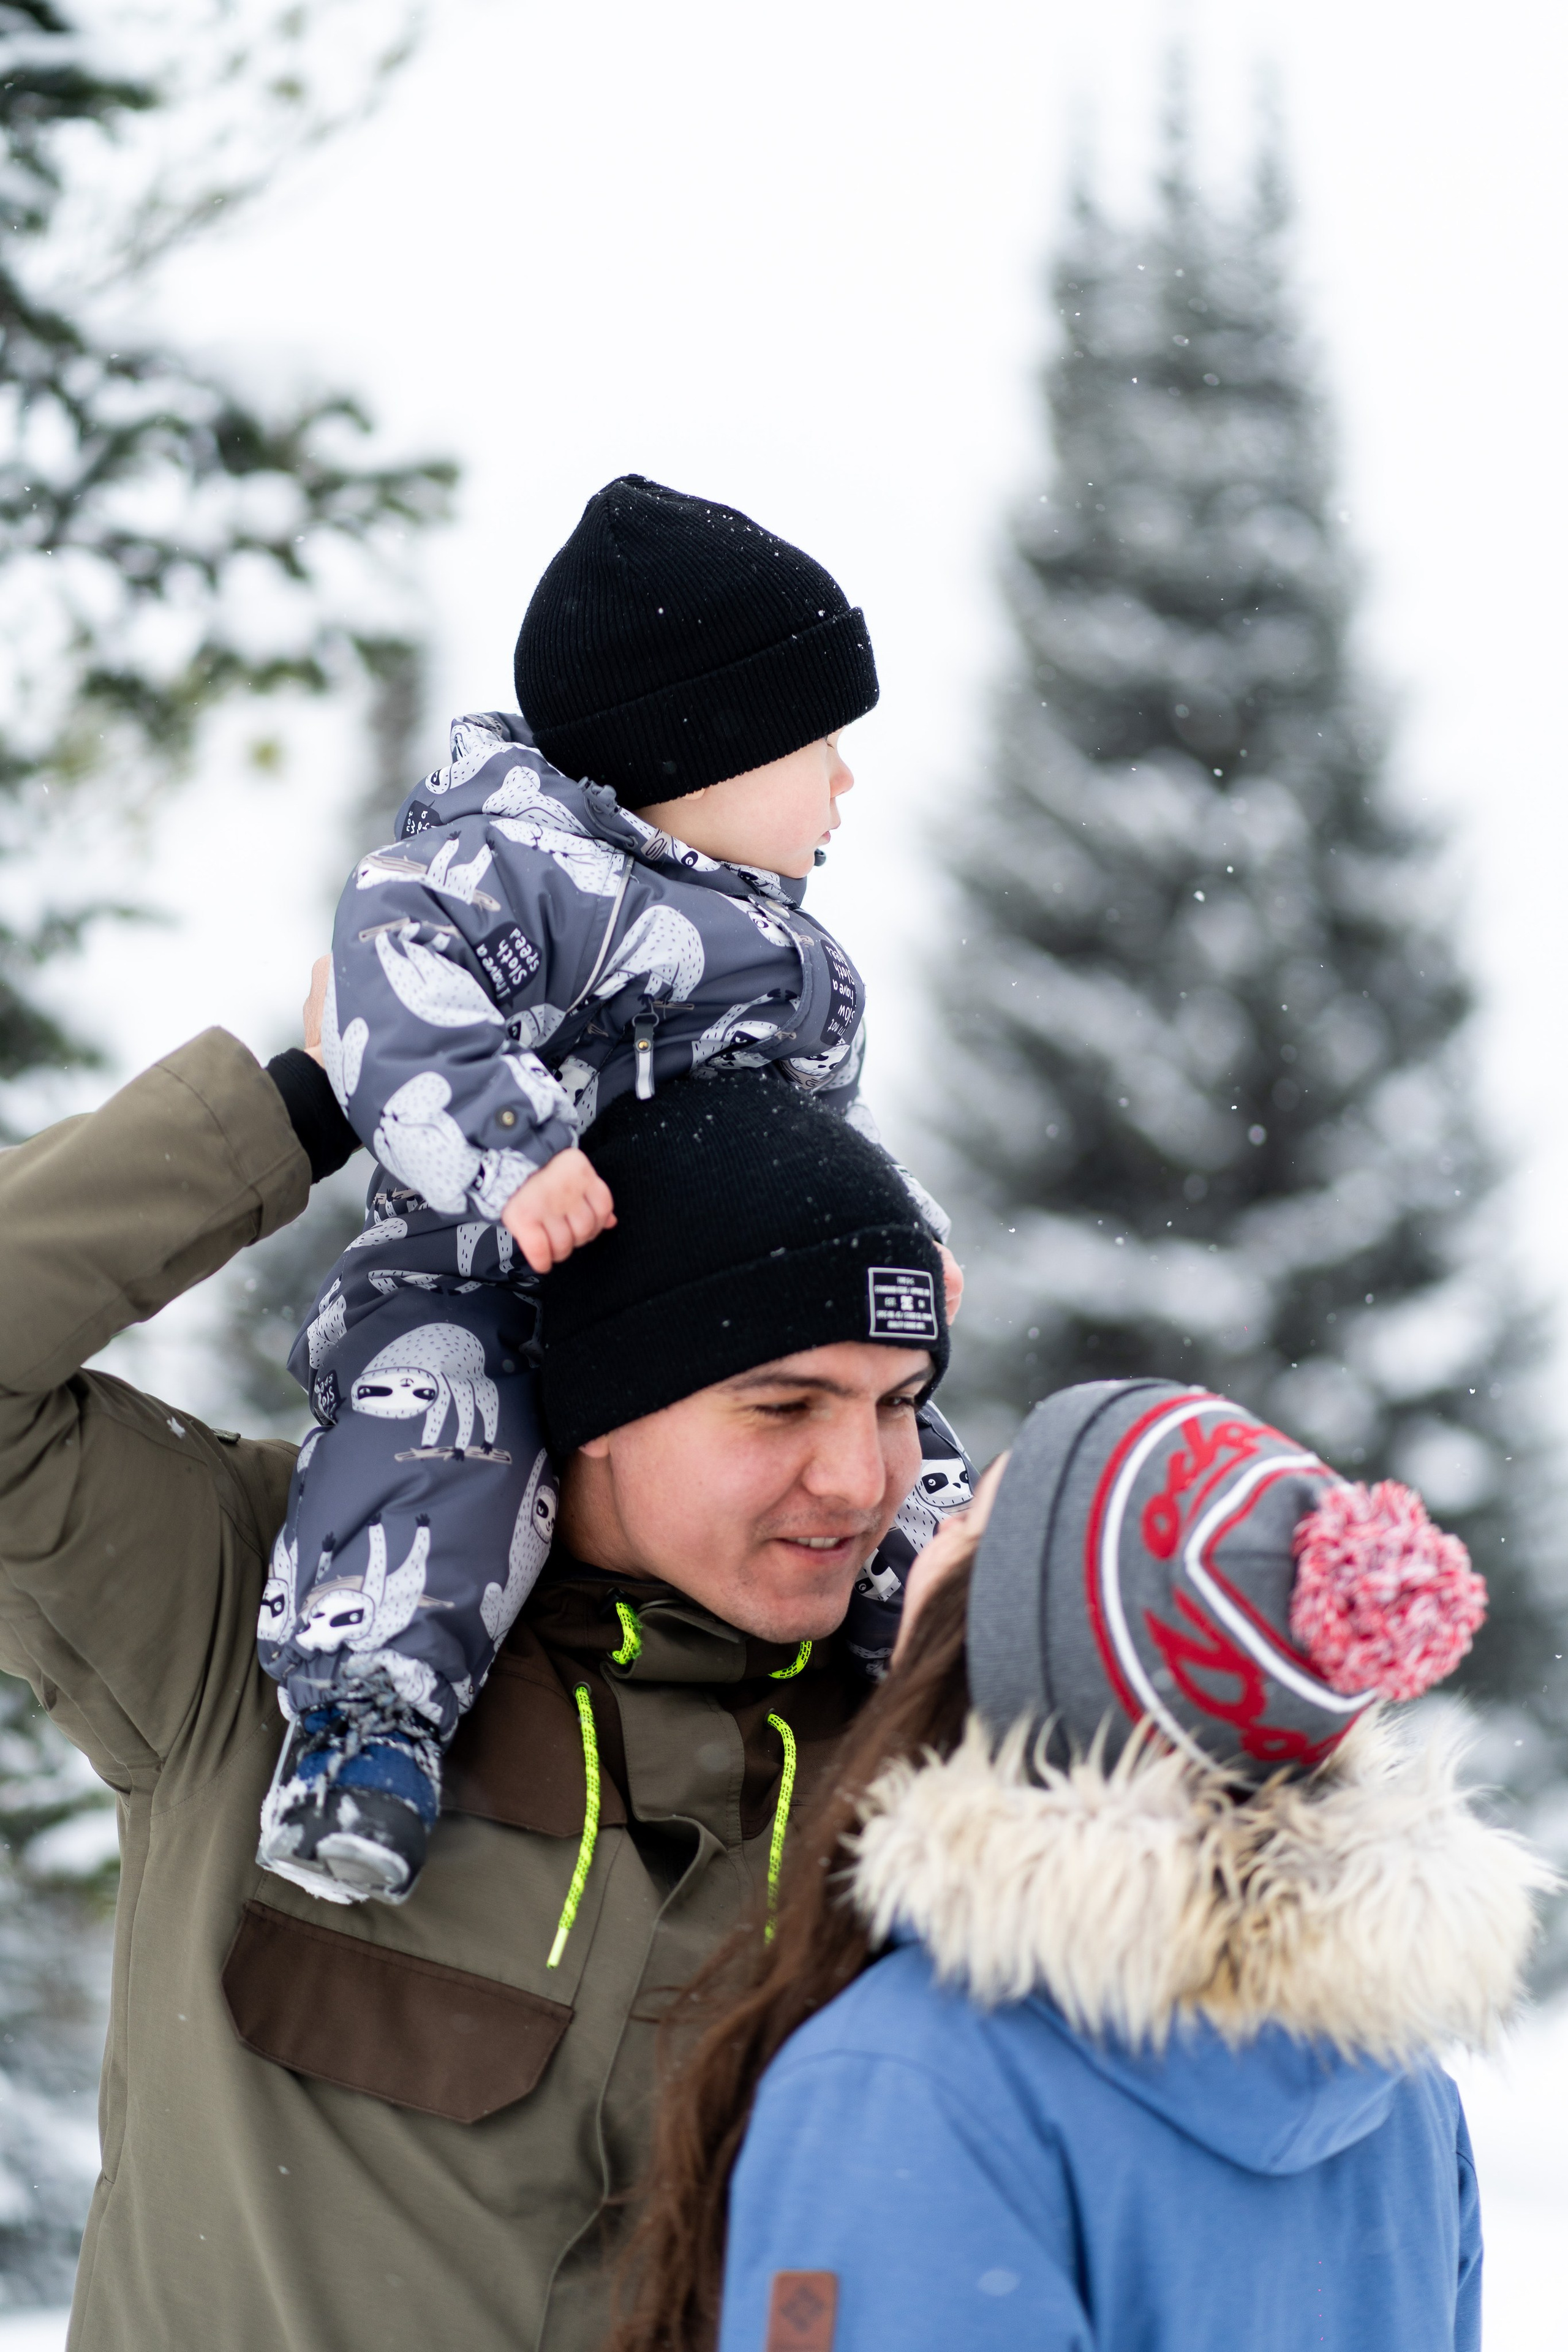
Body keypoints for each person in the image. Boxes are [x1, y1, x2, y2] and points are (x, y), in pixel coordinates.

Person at [0, 1039, 946, 2351]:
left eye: (899, 1404)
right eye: (781, 1406)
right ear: (599, 1399)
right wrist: (333, 1090)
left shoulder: (929, 1743)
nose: (859, 1478)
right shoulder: (276, 1605)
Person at [257, 473, 966, 1907]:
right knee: (435, 1455)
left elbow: (810, 1128)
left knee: (898, 1463)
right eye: (818, 743)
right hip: (476, 1276)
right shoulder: (511, 869)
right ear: (697, 745)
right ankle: (367, 1730)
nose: (842, 787)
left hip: (715, 1311)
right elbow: (391, 1004)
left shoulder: (781, 951)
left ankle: (968, 1708)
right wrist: (509, 1151)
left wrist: (891, 1235)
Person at [616, 1378, 1551, 2352]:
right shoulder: (1391, 2087)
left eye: (974, 1524)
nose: (917, 1531)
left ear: (1023, 1643)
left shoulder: (911, 2079)